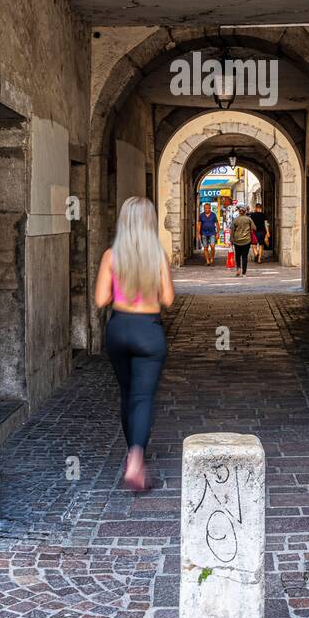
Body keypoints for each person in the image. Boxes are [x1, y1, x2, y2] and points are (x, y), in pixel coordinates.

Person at [94, 196, 175, 492]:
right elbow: (168, 299)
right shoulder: (158, 256)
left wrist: (122, 290)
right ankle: (137, 457)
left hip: (119, 329)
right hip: (149, 331)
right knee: (143, 397)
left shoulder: (110, 257)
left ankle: (131, 452)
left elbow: (101, 300)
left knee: (126, 394)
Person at [231, 204, 253, 277]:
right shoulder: (249, 219)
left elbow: (232, 231)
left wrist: (231, 240)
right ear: (245, 212)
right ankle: (244, 273)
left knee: (237, 256)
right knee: (244, 256)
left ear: (239, 212)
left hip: (237, 240)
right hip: (246, 240)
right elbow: (254, 228)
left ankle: (238, 269)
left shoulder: (235, 220)